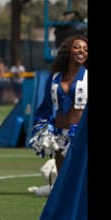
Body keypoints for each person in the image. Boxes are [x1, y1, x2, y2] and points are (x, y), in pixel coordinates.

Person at [30, 34, 88, 182]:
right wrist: (42, 128)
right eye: (77, 47)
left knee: (81, 179)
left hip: (82, 134)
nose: (82, 51)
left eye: (85, 49)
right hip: (60, 136)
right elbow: (45, 106)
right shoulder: (54, 78)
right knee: (63, 180)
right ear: (68, 51)